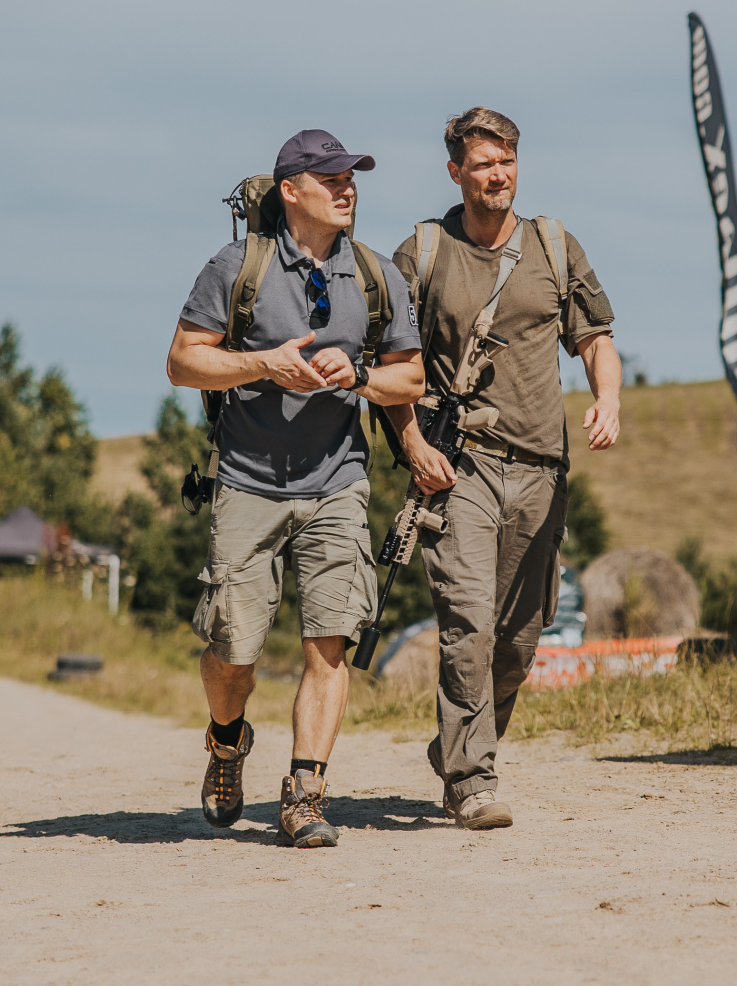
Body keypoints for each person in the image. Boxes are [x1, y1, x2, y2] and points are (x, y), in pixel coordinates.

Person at [166, 129, 425, 848]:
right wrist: (263, 364)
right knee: (232, 651)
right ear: (290, 191)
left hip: (338, 481)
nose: (347, 188)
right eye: (331, 178)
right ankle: (226, 742)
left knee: (328, 644)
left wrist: (362, 376)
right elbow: (183, 362)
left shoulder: (374, 275)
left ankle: (305, 793)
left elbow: (411, 377)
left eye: (352, 177)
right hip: (247, 482)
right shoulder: (237, 267)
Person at [388, 107, 620, 831]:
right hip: (462, 467)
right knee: (468, 623)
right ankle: (472, 781)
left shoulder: (554, 246)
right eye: (484, 163)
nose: (499, 175)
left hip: (543, 467)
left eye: (508, 161)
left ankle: (457, 744)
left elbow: (596, 338)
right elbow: (391, 367)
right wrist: (411, 445)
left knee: (520, 641)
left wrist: (608, 398)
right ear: (455, 171)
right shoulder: (423, 253)